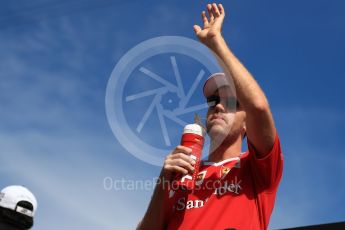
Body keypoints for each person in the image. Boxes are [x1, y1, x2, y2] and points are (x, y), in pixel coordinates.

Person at [137, 3, 283, 230]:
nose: (220, 107)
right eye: (213, 101)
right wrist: (163, 181)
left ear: (247, 125)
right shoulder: (181, 175)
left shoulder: (256, 169)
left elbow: (258, 107)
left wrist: (215, 43)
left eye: (232, 102)